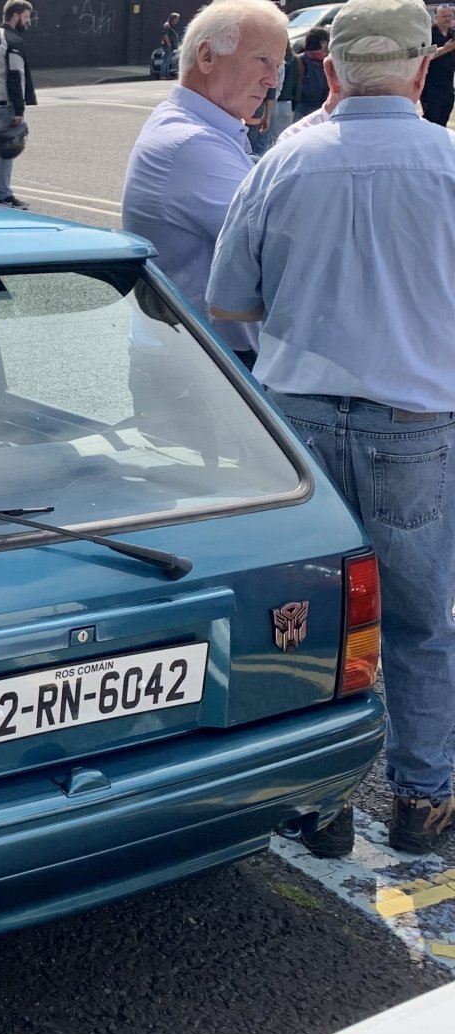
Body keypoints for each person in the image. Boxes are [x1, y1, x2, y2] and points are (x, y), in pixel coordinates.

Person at [209, 0, 455, 856]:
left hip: (299, 417)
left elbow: (228, 300)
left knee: (307, 616)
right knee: (420, 621)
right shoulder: (448, 165)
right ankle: (421, 797)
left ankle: (321, 801)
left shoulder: (283, 161)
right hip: (413, 422)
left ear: (328, 70)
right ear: (421, 71)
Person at [120, 0, 287, 370]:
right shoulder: (193, 144)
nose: (272, 80)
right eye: (263, 60)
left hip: (192, 356)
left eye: (278, 65)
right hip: (203, 366)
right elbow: (280, 253)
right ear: (207, 56)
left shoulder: (194, 127)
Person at [0, 0, 37, 209]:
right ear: (16, 15)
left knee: (0, 145)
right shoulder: (13, 41)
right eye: (26, 17)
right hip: (7, 103)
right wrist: (19, 109)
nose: (28, 22)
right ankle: (4, 195)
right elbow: (15, 76)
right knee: (8, 148)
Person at [421, 4, 455, 126]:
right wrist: (444, 49)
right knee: (432, 118)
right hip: (431, 85)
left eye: (450, 16)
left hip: (448, 85)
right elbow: (422, 57)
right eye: (444, 16)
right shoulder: (428, 34)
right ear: (436, 17)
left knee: (444, 117)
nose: (448, 19)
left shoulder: (452, 34)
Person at [293, 27, 331, 117]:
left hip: (302, 105)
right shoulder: (328, 60)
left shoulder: (299, 59)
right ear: (322, 43)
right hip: (322, 104)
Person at [161, 11, 183, 78]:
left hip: (170, 46)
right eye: (176, 19)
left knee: (168, 61)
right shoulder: (167, 25)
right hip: (168, 46)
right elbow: (165, 35)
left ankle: (166, 74)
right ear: (173, 19)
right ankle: (163, 75)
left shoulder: (171, 26)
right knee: (166, 60)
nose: (177, 21)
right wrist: (169, 44)